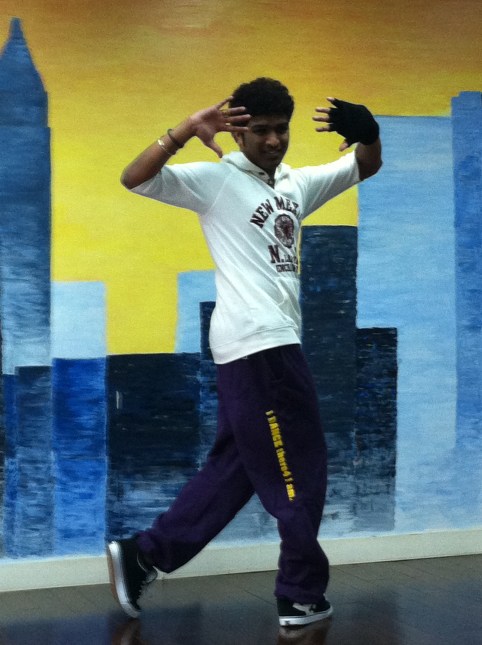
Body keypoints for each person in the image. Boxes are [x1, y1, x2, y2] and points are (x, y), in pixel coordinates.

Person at [107, 77, 382, 627]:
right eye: (260, 131)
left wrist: (369, 133)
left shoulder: (295, 185)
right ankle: (299, 593)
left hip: (261, 348)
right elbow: (134, 178)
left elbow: (363, 166)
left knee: (235, 468)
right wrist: (186, 129)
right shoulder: (216, 181)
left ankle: (146, 555)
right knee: (300, 467)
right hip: (262, 347)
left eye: (281, 129)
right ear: (237, 132)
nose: (274, 140)